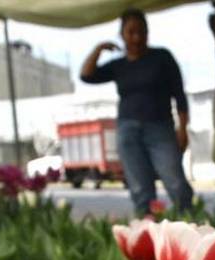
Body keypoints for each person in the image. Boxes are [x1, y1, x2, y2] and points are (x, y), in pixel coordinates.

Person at [80, 8, 194, 213]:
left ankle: (189, 225)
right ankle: (146, 231)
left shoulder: (162, 57)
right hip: (128, 130)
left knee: (176, 183)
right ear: (122, 35)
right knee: (140, 188)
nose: (137, 37)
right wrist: (98, 49)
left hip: (160, 129)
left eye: (142, 31)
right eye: (131, 32)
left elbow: (179, 94)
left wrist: (183, 128)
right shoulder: (119, 65)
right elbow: (86, 76)